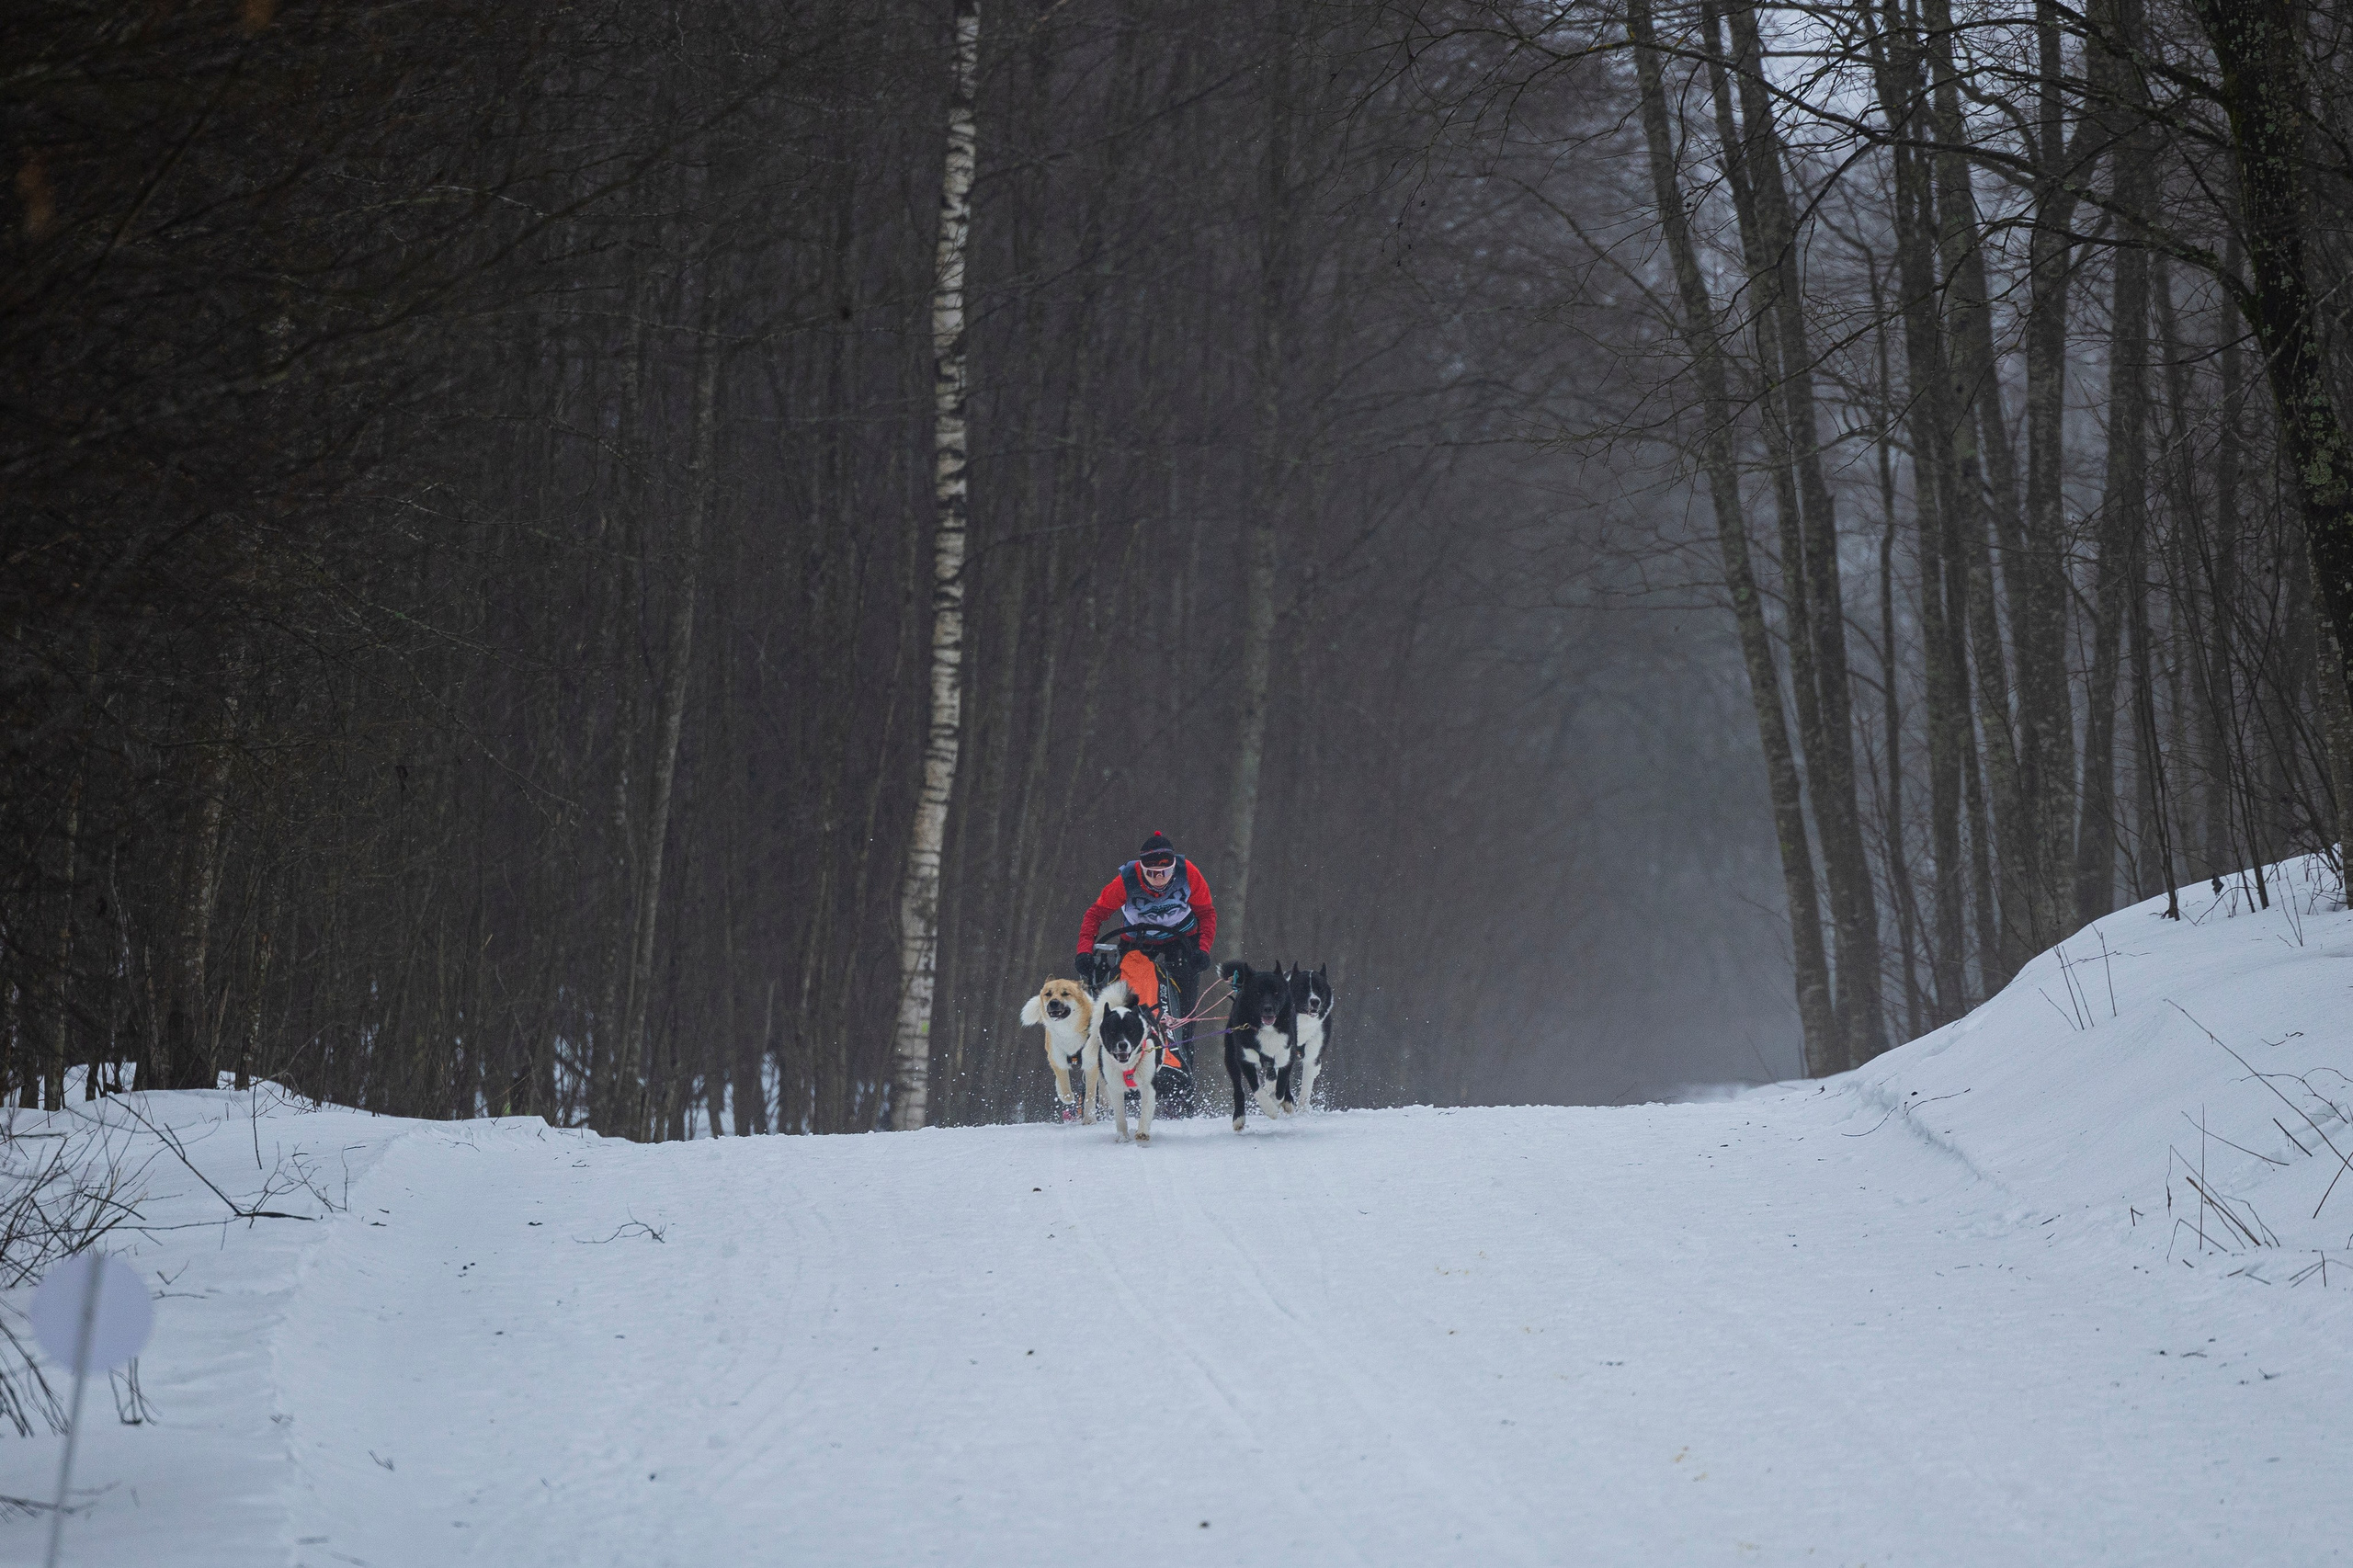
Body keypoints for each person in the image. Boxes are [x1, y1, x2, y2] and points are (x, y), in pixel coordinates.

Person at [1075, 831, 1214, 1109]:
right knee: (1130, 997)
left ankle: (1180, 1069)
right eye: (1151, 873)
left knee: (1185, 1014)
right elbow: (1095, 914)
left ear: (1174, 867)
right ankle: (1116, 1069)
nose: (1159, 879)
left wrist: (1203, 949)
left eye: (1165, 872)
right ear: (1141, 870)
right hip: (1137, 941)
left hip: (1182, 941)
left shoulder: (1189, 874)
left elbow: (1206, 913)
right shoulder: (1126, 880)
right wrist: (1084, 950)